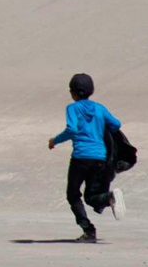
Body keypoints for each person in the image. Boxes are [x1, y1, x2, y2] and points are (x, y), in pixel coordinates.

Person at [48, 73, 125, 242]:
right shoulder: (99, 108)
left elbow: (72, 129)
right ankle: (109, 198)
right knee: (91, 197)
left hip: (81, 158)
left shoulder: (72, 108)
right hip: (100, 158)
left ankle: (88, 230)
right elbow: (116, 124)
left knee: (73, 195)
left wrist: (55, 140)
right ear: (92, 90)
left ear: (73, 93)